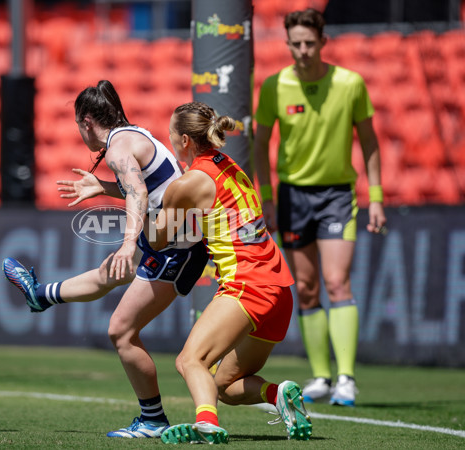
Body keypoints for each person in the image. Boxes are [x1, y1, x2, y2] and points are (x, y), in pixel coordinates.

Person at [2, 80, 209, 438]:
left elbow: (139, 190)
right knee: (108, 275)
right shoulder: (132, 134)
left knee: (121, 331)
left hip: (177, 244)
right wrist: (104, 187)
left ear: (86, 122)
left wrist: (129, 243)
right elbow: (148, 184)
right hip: (173, 236)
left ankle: (153, 420)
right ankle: (41, 295)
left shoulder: (117, 148)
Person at [147, 101, 312, 444]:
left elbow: (156, 240)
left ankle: (206, 423)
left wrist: (138, 200)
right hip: (279, 289)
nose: (170, 142)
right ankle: (278, 394)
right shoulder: (229, 164)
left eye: (171, 136)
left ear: (186, 142)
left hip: (247, 285)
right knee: (226, 385)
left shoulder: (189, 182)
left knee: (190, 360)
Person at [253, 9, 387, 407]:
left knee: (336, 282)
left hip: (337, 195)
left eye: (310, 43)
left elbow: (370, 143)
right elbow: (260, 146)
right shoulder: (275, 85)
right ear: (287, 44)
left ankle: (346, 377)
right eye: (295, 43)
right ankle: (321, 377)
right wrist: (267, 197)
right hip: (293, 196)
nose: (303, 50)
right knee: (307, 290)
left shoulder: (350, 84)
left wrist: (376, 197)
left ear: (323, 42)